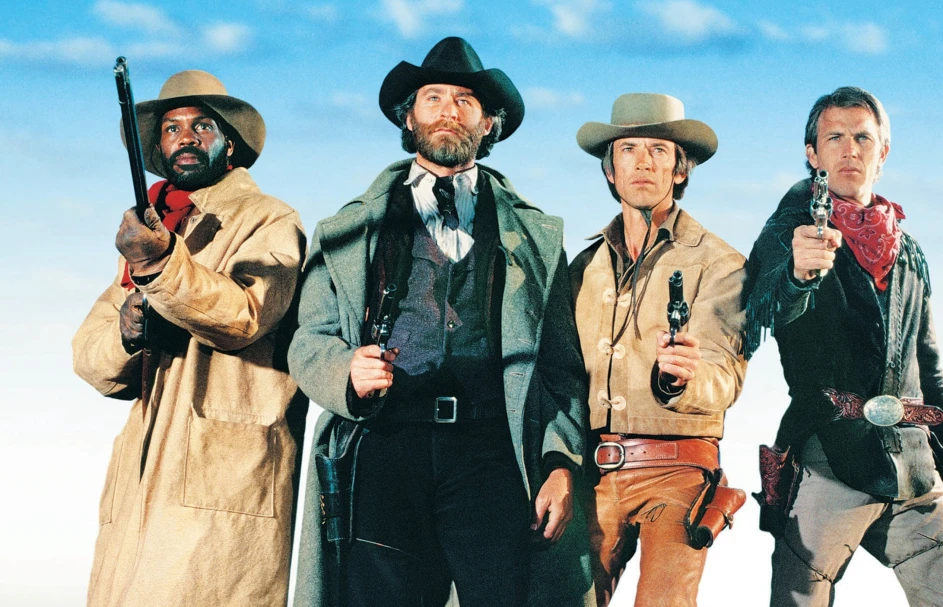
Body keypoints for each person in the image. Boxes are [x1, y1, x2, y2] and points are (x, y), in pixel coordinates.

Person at [288, 37, 591, 607]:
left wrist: (558, 462)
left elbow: (559, 367)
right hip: (385, 444)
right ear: (409, 117)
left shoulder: (535, 235)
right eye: (433, 98)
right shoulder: (349, 229)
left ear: (488, 122)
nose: (448, 111)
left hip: (492, 451)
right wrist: (345, 370)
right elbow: (310, 339)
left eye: (464, 101)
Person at [743, 86, 943, 606]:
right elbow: (756, 319)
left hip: (912, 466)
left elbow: (927, 370)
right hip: (826, 457)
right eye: (834, 137)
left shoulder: (908, 252)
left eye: (863, 138)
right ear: (812, 154)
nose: (849, 149)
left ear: (882, 154)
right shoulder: (787, 234)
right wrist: (797, 275)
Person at [72, 70, 307, 607]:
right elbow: (89, 358)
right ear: (159, 146)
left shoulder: (269, 219)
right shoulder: (156, 226)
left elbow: (244, 316)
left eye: (203, 126)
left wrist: (161, 265)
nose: (186, 137)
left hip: (224, 473)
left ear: (229, 144)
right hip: (141, 479)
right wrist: (128, 332)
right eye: (172, 128)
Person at [570, 93, 749, 607]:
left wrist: (683, 377)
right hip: (592, 472)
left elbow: (725, 375)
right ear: (611, 171)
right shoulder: (582, 268)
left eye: (659, 150)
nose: (643, 162)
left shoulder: (720, 263)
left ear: (679, 169)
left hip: (678, 470)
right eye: (628, 150)